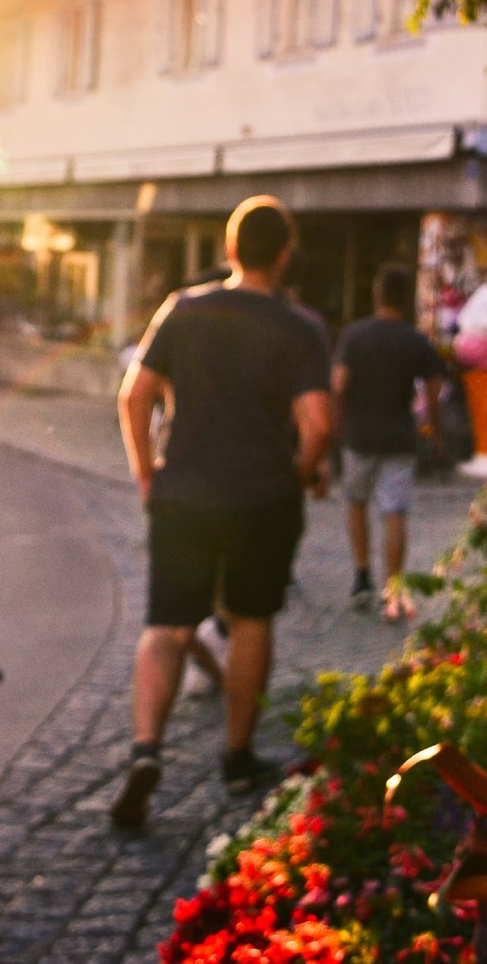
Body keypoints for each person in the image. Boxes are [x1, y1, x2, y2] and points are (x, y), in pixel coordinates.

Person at [112, 196, 332, 829]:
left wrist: (146, 474)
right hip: (262, 497)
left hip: (184, 493)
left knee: (167, 625)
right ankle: (237, 758)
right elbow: (318, 422)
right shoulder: (300, 328)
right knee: (251, 621)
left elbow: (135, 396)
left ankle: (145, 751)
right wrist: (296, 472)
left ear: (230, 250)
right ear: (284, 256)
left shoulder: (184, 310)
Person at [332, 263, 444, 620]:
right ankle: (392, 588)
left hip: (358, 435)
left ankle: (362, 575)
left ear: (377, 295)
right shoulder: (415, 339)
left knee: (356, 503)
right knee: (394, 511)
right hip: (399, 436)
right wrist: (434, 428)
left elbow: (338, 384)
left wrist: (337, 423)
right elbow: (434, 387)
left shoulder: (354, 335)